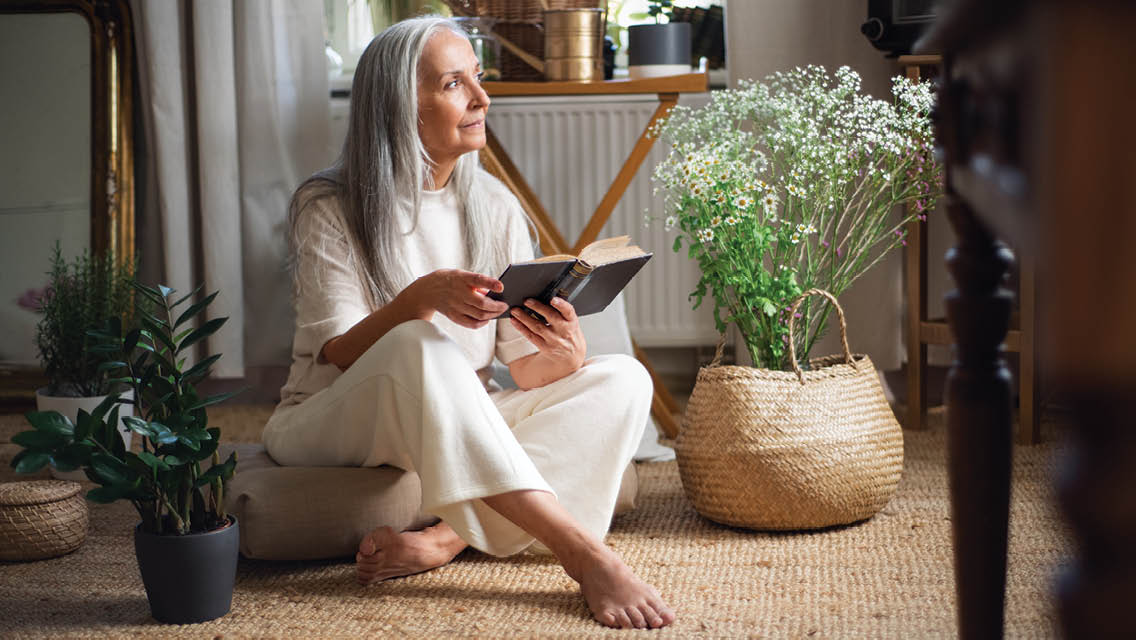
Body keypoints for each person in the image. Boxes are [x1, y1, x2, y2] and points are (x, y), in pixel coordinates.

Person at [262, 16, 676, 630]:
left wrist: (564, 355)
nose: (483, 99)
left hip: (454, 413)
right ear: (403, 106)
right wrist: (421, 297)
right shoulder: (330, 207)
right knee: (420, 341)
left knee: (624, 379)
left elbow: (525, 370)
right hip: (330, 416)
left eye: (477, 79)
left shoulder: (495, 208)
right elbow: (341, 354)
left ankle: (447, 539)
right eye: (455, 83)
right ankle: (582, 552)